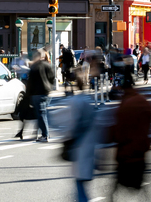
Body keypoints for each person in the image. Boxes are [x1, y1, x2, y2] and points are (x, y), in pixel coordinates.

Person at [108, 72, 151, 199]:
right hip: (141, 153)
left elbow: (120, 131)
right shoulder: (143, 101)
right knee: (140, 190)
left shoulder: (125, 105)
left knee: (114, 192)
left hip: (126, 155)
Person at [67, 69, 98, 202]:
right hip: (89, 144)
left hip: (79, 144)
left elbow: (72, 124)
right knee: (82, 182)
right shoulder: (88, 101)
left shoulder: (76, 101)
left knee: (79, 182)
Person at [26, 48, 55, 142]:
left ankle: (45, 134)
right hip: (46, 92)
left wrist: (28, 95)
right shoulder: (47, 65)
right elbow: (52, 78)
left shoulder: (34, 67)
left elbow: (30, 82)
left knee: (41, 114)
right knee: (43, 113)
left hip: (36, 93)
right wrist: (49, 88)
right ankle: (44, 133)